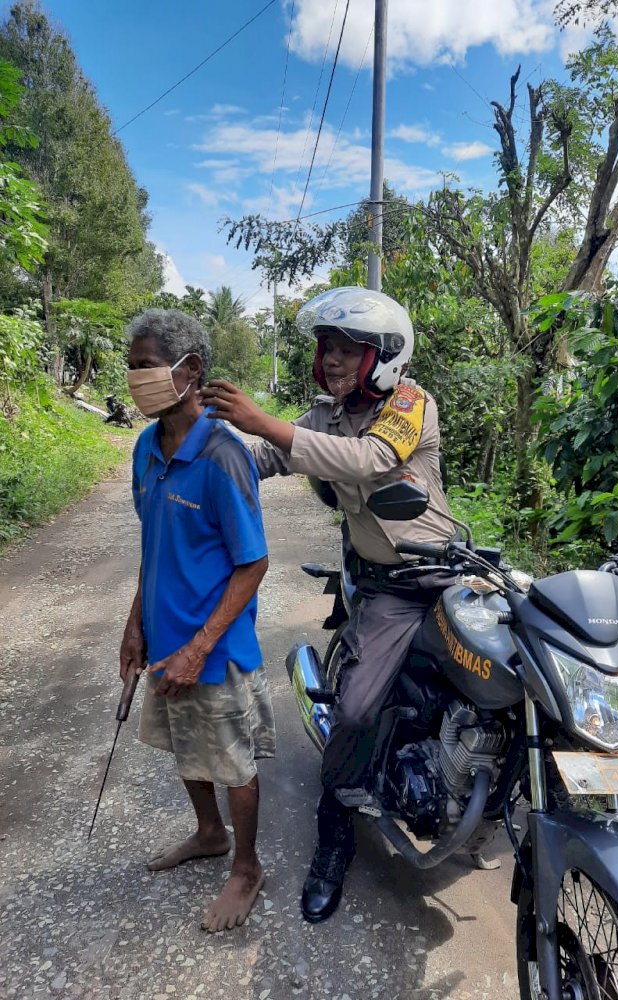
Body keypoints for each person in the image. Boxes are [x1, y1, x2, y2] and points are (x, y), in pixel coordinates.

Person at [200, 286, 454, 924]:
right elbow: (268, 454)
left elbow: (372, 461)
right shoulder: (322, 418)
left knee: (510, 672)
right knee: (359, 707)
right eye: (326, 349)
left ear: (383, 356)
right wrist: (203, 457)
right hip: (388, 587)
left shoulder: (410, 402)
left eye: (347, 350)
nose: (333, 361)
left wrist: (263, 420)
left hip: (447, 571)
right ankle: (334, 836)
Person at [119, 309, 274, 934]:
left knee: (232, 761)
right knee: (186, 748)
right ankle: (209, 834)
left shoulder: (222, 454)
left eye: (146, 367)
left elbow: (253, 563)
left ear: (191, 372)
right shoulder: (145, 448)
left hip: (216, 649)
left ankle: (246, 866)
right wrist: (136, 625)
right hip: (165, 641)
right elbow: (152, 543)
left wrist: (199, 646)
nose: (135, 380)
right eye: (131, 368)